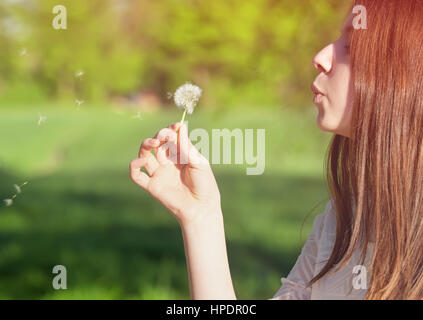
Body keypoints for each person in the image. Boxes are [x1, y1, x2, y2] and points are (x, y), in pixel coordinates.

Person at [130, 0, 423, 300]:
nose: (321, 57)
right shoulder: (342, 221)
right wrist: (201, 216)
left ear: (405, 73)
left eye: (350, 46)